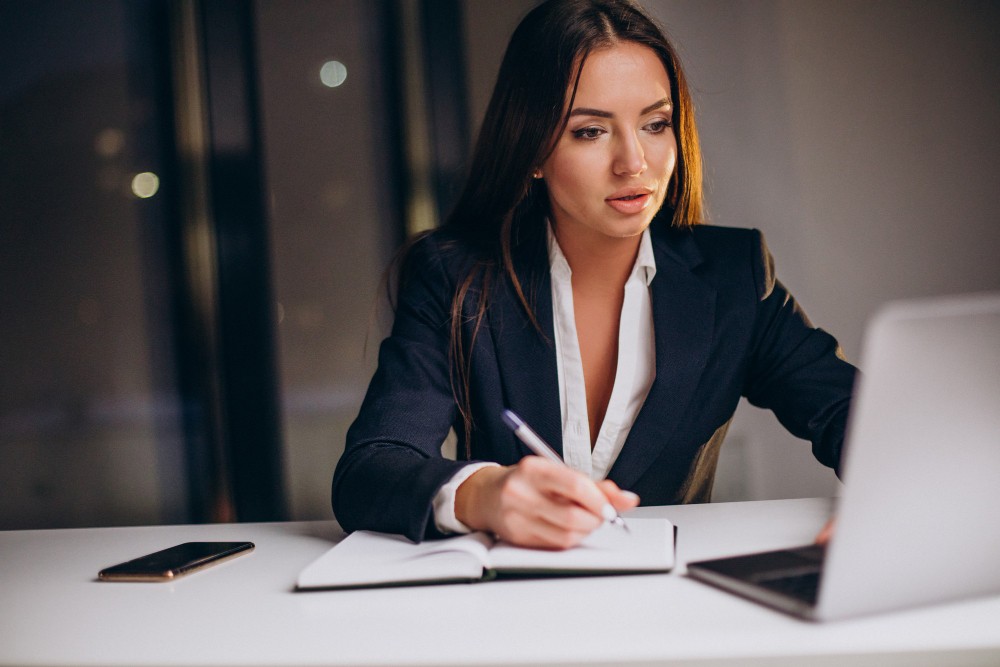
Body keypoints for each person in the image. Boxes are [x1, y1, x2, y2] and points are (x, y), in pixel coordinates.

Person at [332, 0, 856, 548]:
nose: (634, 162)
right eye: (590, 132)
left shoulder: (734, 276)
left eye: (656, 124)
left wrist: (888, 498)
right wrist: (484, 494)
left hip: (672, 606)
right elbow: (370, 468)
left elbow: (849, 411)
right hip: (509, 608)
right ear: (531, 147)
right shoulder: (455, 275)